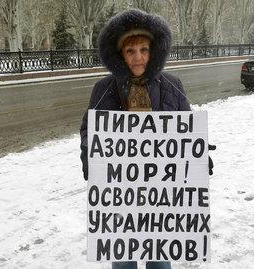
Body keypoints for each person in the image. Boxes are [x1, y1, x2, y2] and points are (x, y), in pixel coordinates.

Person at [79, 9, 213, 269]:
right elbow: (90, 129)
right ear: (120, 55)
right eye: (130, 51)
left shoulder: (172, 85)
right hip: (120, 191)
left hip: (161, 192)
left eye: (144, 49)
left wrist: (200, 156)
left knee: (160, 261)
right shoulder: (104, 88)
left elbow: (186, 129)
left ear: (154, 52)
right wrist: (88, 154)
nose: (138, 57)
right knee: (123, 261)